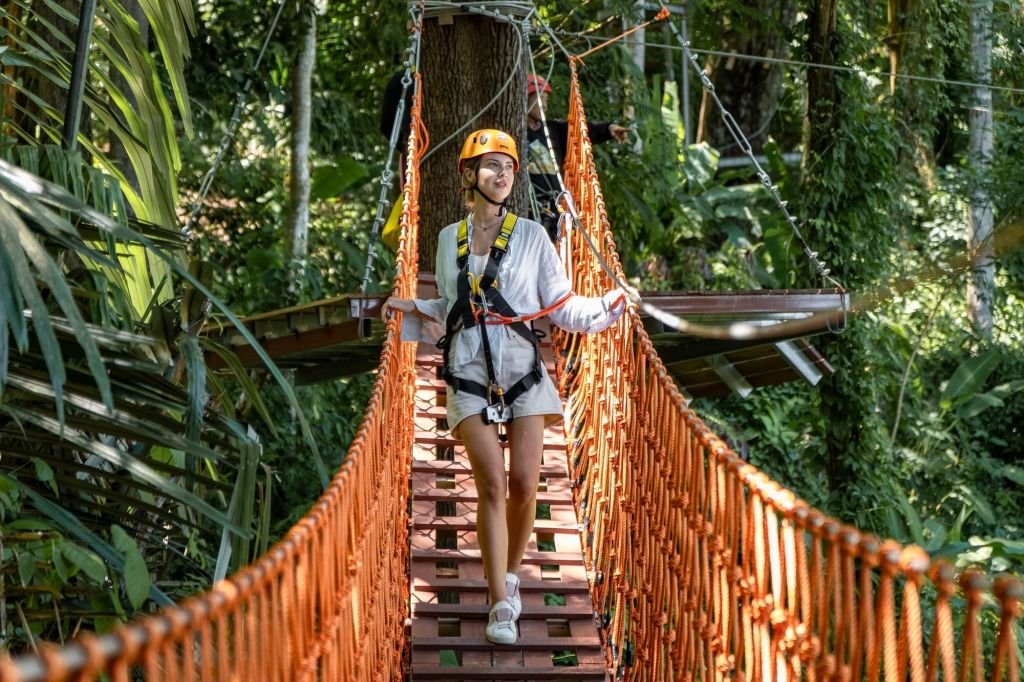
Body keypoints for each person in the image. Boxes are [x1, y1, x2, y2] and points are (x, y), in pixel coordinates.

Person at [382, 128, 627, 645]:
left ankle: (511, 576)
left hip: (522, 372)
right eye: (492, 165)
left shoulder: (533, 236)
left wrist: (608, 307)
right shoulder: (447, 239)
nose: (503, 174)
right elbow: (454, 306)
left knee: (524, 485)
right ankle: (499, 603)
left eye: (509, 166)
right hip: (467, 371)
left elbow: (560, 306)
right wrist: (415, 307)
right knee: (492, 483)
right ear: (469, 175)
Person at [526, 74, 631, 241]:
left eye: (546, 100)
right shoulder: (518, 133)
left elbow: (582, 131)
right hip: (530, 208)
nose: (544, 105)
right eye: (539, 99)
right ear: (525, 100)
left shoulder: (553, 130)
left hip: (555, 209)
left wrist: (608, 129)